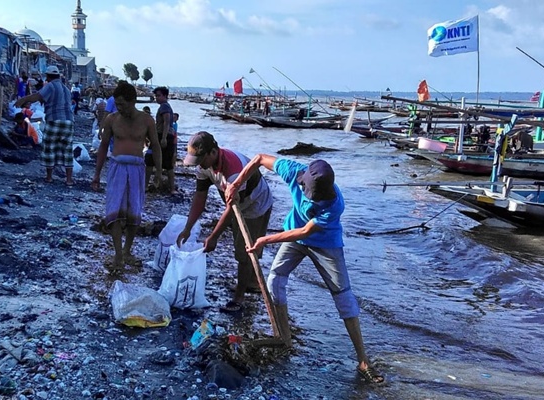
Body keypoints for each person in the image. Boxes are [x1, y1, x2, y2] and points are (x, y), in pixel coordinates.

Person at [224, 156, 384, 384]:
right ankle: (283, 337)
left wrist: (264, 240)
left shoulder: (335, 204)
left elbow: (305, 232)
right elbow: (259, 159)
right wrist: (237, 183)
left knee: (343, 296)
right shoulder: (293, 171)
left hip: (325, 244)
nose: (312, 200)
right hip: (293, 235)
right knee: (275, 280)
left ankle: (363, 360)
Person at [176, 132, 274, 312]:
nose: (199, 165)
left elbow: (233, 209)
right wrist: (187, 228)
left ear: (213, 152)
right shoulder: (203, 165)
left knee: (246, 250)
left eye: (201, 160)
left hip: (255, 204)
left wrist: (214, 237)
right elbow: (200, 197)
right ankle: (251, 283)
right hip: (235, 201)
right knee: (242, 247)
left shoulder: (233, 170)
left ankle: (239, 298)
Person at [92, 81, 163, 271]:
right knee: (114, 211)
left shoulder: (146, 120)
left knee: (134, 212)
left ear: (133, 101)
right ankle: (117, 254)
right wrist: (97, 174)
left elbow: (155, 146)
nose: (119, 108)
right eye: (118, 104)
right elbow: (103, 147)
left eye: (123, 104)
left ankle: (127, 250)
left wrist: (158, 172)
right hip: (116, 167)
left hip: (137, 169)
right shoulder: (112, 120)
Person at [15, 65, 74, 186]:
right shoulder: (66, 89)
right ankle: (69, 180)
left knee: (49, 147)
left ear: (48, 76)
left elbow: (38, 96)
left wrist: (23, 100)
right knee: (67, 149)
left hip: (54, 119)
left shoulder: (51, 86)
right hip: (69, 121)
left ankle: (49, 177)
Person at [153, 86, 176, 193]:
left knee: (166, 163)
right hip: (165, 135)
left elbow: (166, 123)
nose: (156, 98)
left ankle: (170, 188)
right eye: (156, 96)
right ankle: (164, 185)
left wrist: (163, 138)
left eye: (158, 96)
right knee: (163, 162)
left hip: (164, 135)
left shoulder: (164, 107)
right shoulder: (164, 106)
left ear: (165, 96)